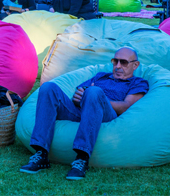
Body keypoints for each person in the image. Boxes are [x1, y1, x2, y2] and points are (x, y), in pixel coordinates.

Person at [20, 47, 148, 180]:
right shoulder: (101, 76)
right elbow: (79, 93)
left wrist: (98, 98)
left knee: (94, 92)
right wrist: (79, 98)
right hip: (82, 111)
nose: (118, 66)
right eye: (115, 61)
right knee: (48, 88)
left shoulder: (138, 83)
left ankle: (82, 158)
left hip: (106, 115)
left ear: (135, 65)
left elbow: (126, 107)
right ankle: (41, 154)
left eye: (124, 62)